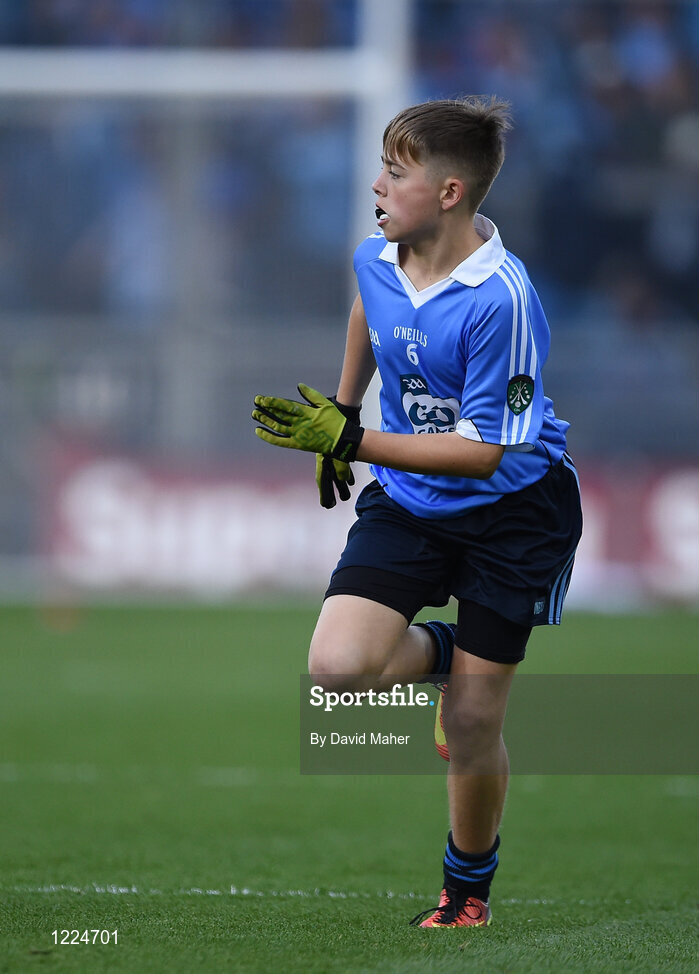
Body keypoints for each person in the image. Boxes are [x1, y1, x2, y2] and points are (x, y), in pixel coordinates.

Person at [252, 97, 582, 929]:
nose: (377, 184)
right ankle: (447, 653)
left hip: (514, 512)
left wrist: (354, 438)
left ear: (448, 191)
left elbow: (482, 453)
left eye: (395, 172)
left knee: (474, 719)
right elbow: (372, 305)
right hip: (410, 500)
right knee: (334, 673)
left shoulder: (500, 299)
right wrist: (341, 406)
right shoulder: (379, 253)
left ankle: (466, 893)